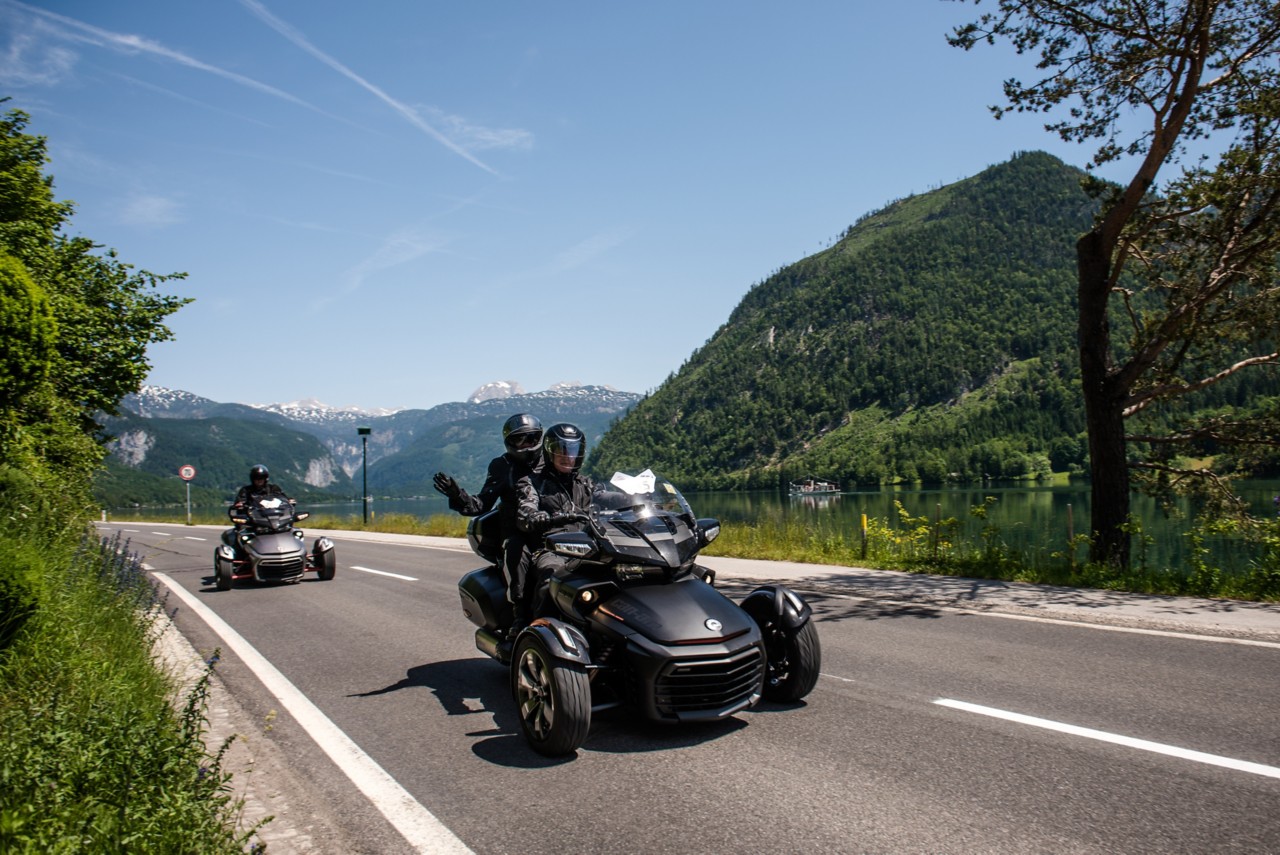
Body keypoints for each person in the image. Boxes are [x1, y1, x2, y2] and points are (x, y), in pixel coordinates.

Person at [433, 413, 544, 631]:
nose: (525, 445)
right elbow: (481, 504)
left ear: (539, 438)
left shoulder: (550, 461)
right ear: (508, 442)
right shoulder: (501, 466)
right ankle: (520, 616)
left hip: (551, 528)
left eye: (530, 438)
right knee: (516, 551)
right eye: (518, 440)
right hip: (517, 531)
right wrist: (457, 495)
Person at [515, 423, 596, 621]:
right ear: (549, 451)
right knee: (552, 577)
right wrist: (533, 515)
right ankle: (540, 630)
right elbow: (526, 504)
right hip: (551, 549)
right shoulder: (532, 482)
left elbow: (609, 497)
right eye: (562, 450)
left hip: (587, 548)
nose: (568, 456)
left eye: (573, 450)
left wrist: (638, 499)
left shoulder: (585, 484)